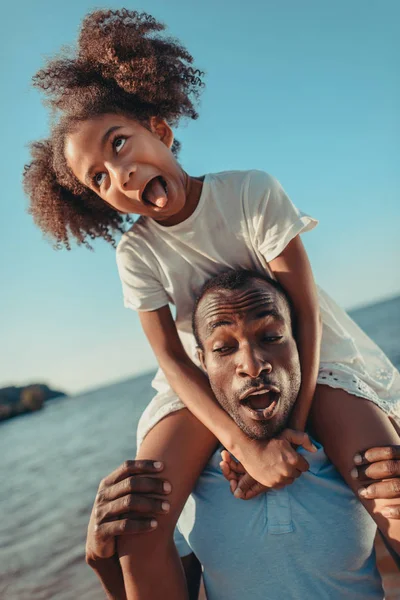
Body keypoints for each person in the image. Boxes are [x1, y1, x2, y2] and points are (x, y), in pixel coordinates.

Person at [23, 9, 400, 599]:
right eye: (98, 178)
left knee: (388, 480)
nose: (119, 173)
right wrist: (244, 445)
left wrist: (290, 434)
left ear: (161, 128)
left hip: (300, 348)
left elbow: (303, 311)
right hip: (202, 372)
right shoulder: (136, 253)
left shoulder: (250, 191)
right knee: (139, 525)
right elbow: (173, 361)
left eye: (119, 144)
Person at [86, 269, 400, 599]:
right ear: (201, 363)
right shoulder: (187, 467)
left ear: (300, 343)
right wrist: (102, 562)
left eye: (271, 337)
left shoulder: (345, 430)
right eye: (224, 348)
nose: (252, 364)